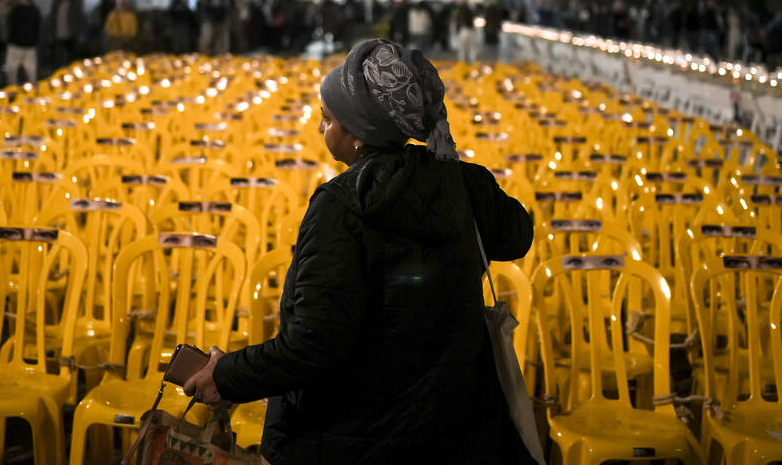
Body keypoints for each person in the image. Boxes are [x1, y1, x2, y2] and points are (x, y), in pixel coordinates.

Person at [184, 39, 534, 464]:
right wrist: (461, 176)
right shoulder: (463, 183)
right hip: (455, 431)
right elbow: (517, 234)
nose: (321, 129)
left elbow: (315, 344)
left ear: (357, 133)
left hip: (351, 439)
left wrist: (226, 374)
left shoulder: (341, 206)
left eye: (328, 119)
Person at [4, 0, 42, 83]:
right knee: (31, 73)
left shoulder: (16, 11)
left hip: (16, 45)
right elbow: (38, 29)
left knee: (12, 73)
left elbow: (11, 26)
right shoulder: (35, 11)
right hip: (30, 46)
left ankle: (13, 93)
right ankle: (31, 92)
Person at [47, 0, 85, 67]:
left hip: (70, 35)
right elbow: (52, 18)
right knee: (58, 57)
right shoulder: (56, 4)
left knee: (71, 57)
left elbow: (80, 19)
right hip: (58, 35)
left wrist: (79, 33)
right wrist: (51, 33)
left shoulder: (74, 5)